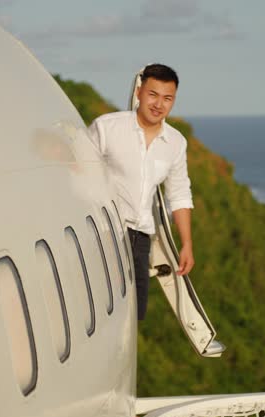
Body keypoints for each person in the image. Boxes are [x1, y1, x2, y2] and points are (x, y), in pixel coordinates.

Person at [87, 63, 194, 321]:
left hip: (140, 239)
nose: (159, 104)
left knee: (135, 315)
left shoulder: (175, 143)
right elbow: (78, 176)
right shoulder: (107, 128)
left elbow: (179, 194)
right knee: (100, 313)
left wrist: (186, 243)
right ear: (139, 92)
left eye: (167, 98)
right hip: (102, 232)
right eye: (152, 94)